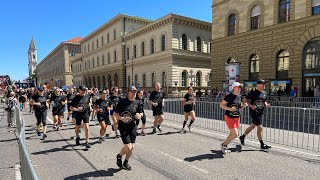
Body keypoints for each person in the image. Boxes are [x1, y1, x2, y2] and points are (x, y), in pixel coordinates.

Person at [113, 86, 142, 170]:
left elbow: (141, 113)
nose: (134, 93)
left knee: (132, 147)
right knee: (128, 147)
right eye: (132, 91)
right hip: (123, 127)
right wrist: (121, 118)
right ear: (128, 92)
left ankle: (126, 162)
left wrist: (139, 115)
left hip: (133, 126)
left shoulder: (137, 102)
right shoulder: (122, 102)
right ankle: (119, 156)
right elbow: (115, 113)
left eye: (135, 91)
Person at [239, 79, 272, 149]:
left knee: (252, 126)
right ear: (258, 85)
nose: (264, 85)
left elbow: (264, 101)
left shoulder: (264, 93)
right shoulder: (253, 92)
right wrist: (250, 105)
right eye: (263, 84)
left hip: (260, 112)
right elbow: (244, 99)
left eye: (264, 84)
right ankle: (262, 144)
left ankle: (242, 136)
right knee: (260, 128)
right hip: (254, 112)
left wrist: (266, 104)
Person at [220, 82, 248, 154]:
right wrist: (230, 109)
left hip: (237, 117)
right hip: (229, 117)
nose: (240, 89)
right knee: (235, 134)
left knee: (232, 134)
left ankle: (224, 145)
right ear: (234, 88)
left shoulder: (239, 96)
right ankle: (224, 145)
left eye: (240, 87)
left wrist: (243, 106)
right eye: (238, 87)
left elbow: (238, 107)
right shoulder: (229, 96)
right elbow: (222, 105)